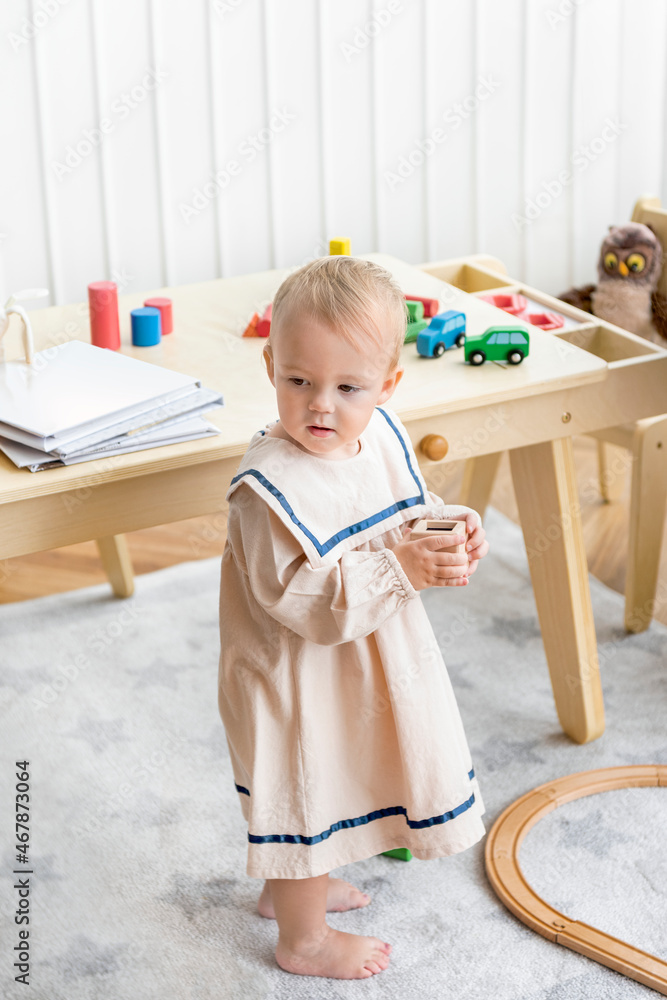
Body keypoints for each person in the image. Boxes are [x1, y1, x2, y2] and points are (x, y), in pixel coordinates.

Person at [218, 255, 489, 980]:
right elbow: (304, 601)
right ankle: (300, 939)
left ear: (387, 387)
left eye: (348, 388)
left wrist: (450, 527)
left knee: (349, 776)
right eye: (298, 381)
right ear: (271, 364)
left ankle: (292, 890)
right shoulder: (267, 489)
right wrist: (400, 567)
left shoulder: (379, 438)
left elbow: (409, 511)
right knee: (308, 790)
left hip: (368, 656)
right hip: (295, 678)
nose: (320, 407)